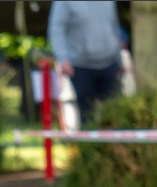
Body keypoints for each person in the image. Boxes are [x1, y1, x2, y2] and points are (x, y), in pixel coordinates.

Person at [47, 0, 123, 128]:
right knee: (87, 115)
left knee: (115, 114)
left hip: (110, 63)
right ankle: (89, 146)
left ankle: (114, 147)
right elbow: (56, 29)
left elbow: (114, 26)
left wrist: (119, 58)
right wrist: (63, 58)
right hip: (81, 67)